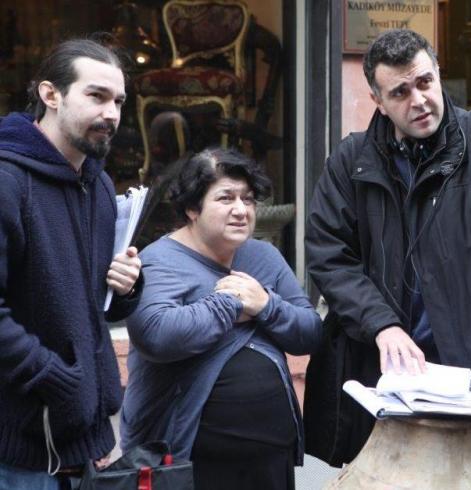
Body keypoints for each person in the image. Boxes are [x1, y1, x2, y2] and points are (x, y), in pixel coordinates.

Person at [305, 28, 471, 489]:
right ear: (378, 99)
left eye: (426, 82)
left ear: (437, 74)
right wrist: (381, 324)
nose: (420, 99)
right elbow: (330, 255)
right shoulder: (351, 160)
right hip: (383, 364)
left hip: (468, 363)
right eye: (401, 91)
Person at [121, 148, 323, 490]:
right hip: (191, 463)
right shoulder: (159, 261)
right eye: (226, 198)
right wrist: (230, 303)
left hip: (271, 458)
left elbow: (309, 331)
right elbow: (157, 335)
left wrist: (265, 306)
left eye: (248, 199)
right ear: (192, 208)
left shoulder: (264, 256)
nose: (241, 210)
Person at [0, 38, 143, 489]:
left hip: (82, 449)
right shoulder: (8, 181)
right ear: (50, 95)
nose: (112, 114)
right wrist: (52, 376)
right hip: (19, 455)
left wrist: (126, 288)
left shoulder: (96, 185)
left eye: (118, 101)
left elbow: (92, 308)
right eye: (96, 96)